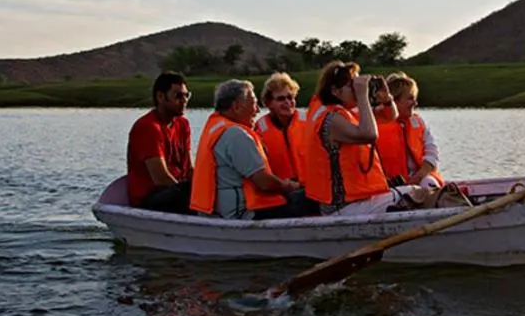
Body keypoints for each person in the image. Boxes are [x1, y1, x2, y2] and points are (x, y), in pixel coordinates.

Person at [302, 61, 444, 216]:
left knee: (421, 191)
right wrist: (363, 96)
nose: (357, 89)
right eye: (351, 86)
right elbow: (369, 134)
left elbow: (391, 115)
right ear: (335, 91)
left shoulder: (344, 112)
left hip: (357, 199)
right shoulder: (331, 119)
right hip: (343, 206)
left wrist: (387, 99)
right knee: (418, 194)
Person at [188, 79, 313, 220]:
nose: (258, 110)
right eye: (253, 104)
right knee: (311, 198)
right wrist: (288, 186)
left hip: (216, 210)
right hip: (241, 213)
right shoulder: (236, 135)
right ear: (236, 106)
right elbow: (264, 183)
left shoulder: (215, 127)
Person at [126, 71, 194, 212]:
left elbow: (189, 168)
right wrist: (189, 195)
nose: (184, 100)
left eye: (187, 95)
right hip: (151, 196)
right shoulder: (148, 127)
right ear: (161, 97)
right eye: (178, 96)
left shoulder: (183, 124)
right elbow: (161, 178)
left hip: (176, 189)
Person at [252, 72, 317, 215]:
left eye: (290, 97)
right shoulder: (259, 129)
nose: (288, 102)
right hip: (281, 193)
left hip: (312, 190)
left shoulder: (309, 122)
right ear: (269, 103)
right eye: (281, 99)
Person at [375, 72, 444, 189]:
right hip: (391, 184)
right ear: (395, 101)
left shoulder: (418, 122)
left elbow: (432, 153)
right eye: (410, 98)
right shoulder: (375, 124)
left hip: (421, 178)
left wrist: (419, 177)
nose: (415, 103)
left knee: (428, 183)